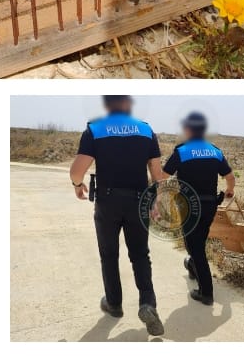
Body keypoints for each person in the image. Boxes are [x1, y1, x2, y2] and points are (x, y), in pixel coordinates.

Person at [69, 95, 165, 336]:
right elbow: (157, 173)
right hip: (139, 201)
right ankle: (147, 304)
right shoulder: (146, 130)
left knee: (109, 255)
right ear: (129, 104)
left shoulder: (95, 129)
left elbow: (77, 170)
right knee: (140, 254)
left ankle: (114, 304)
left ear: (107, 105)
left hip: (108, 202)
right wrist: (156, 201)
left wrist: (76, 184)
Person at [161, 112, 235, 306]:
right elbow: (230, 178)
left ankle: (206, 293)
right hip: (210, 205)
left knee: (195, 247)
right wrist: (229, 191)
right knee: (197, 242)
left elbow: (163, 176)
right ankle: (193, 267)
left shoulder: (182, 151)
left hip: (189, 207)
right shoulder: (215, 151)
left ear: (187, 130)